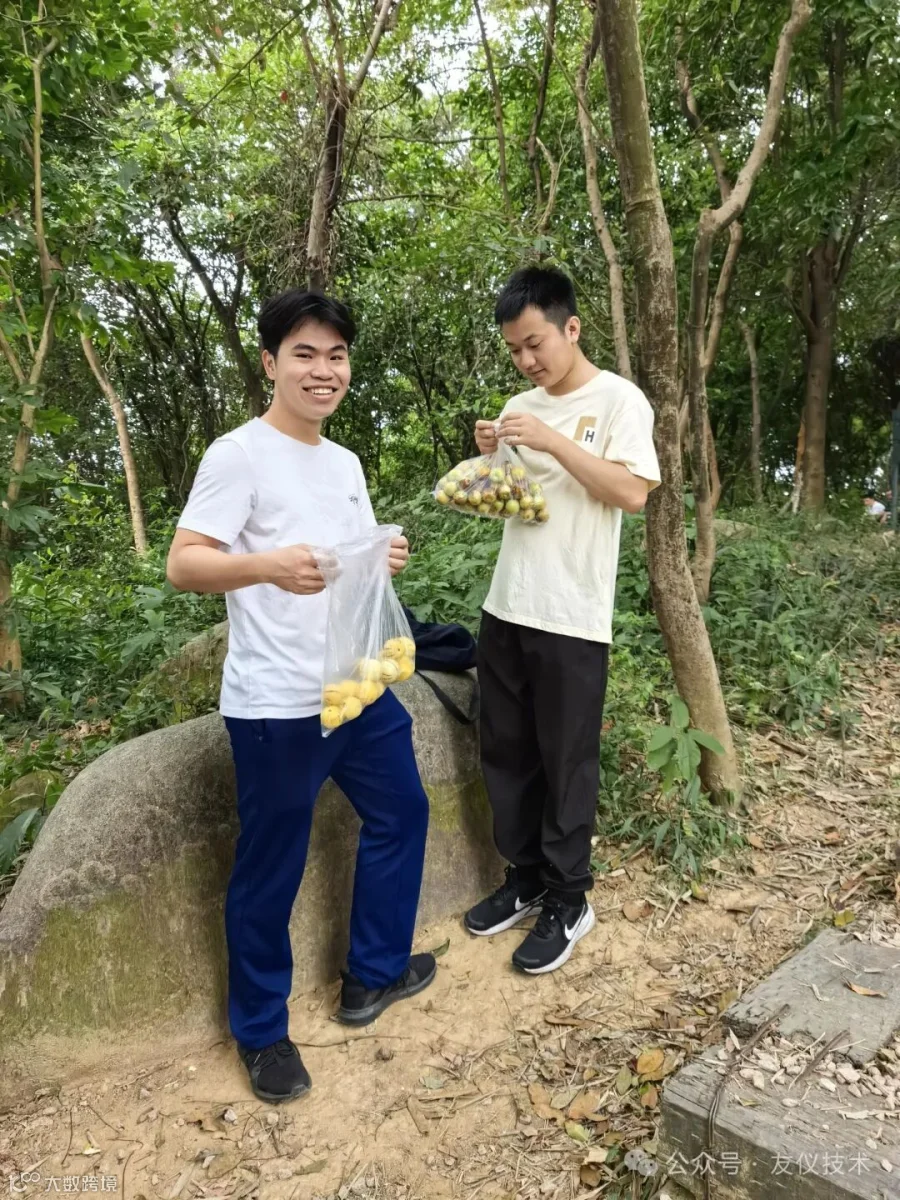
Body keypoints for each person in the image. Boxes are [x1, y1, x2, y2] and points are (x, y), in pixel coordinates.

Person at [167, 290, 434, 1105]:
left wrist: (380, 557)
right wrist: (267, 567)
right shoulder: (239, 455)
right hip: (276, 705)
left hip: (355, 687)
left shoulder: (344, 463)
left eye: (336, 355)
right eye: (305, 354)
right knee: (270, 866)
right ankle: (260, 1032)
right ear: (270, 363)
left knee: (403, 812)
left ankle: (373, 974)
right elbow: (184, 562)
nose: (324, 371)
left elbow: (344, 559)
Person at [463, 265, 661, 974]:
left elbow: (631, 493)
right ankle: (524, 879)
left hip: (573, 615)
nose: (526, 360)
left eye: (535, 343)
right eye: (515, 349)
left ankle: (570, 897)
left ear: (571, 328)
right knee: (507, 751)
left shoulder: (619, 401)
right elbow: (510, 502)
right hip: (507, 604)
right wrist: (492, 458)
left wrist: (553, 441)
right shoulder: (520, 404)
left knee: (565, 761)